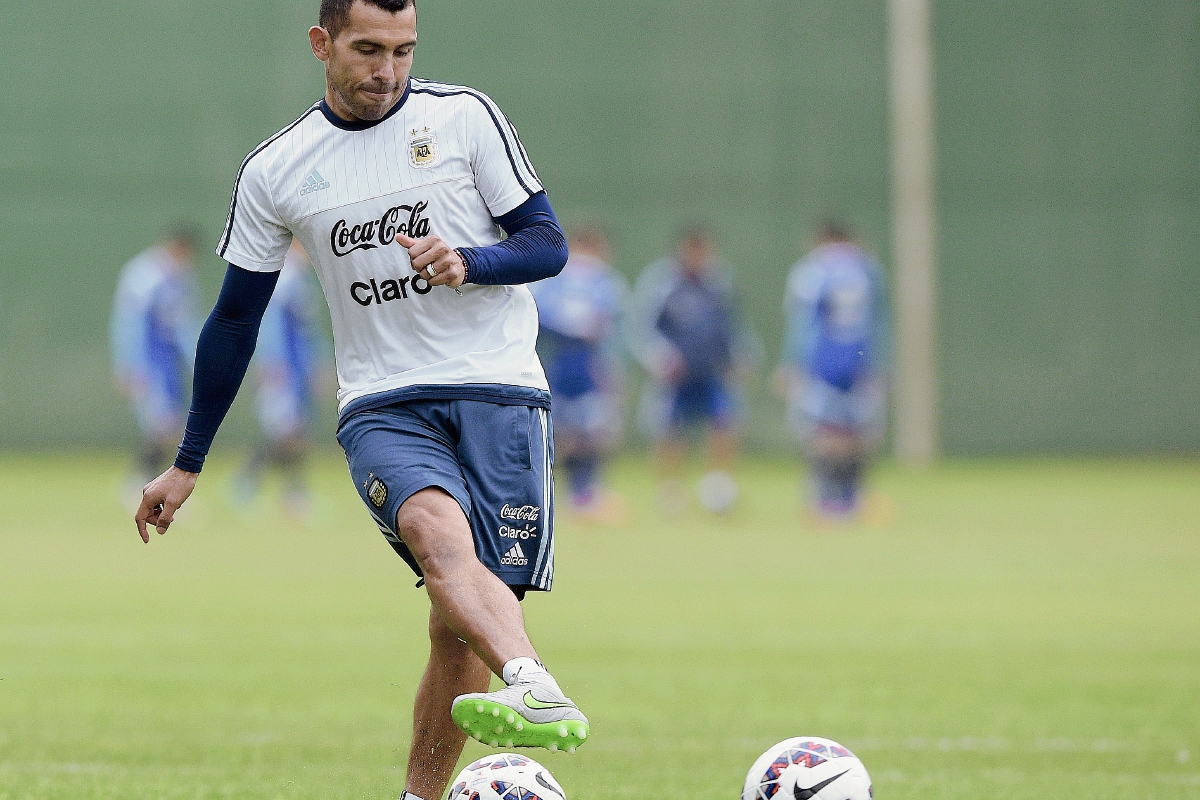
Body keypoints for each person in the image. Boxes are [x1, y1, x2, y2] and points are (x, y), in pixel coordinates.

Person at [134, 2, 587, 798]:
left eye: (404, 51)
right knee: (432, 530)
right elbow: (235, 317)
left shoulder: (467, 119)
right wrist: (188, 460)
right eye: (368, 49)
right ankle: (535, 682)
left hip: (501, 394)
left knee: (456, 632)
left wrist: (469, 261)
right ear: (323, 44)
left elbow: (547, 244)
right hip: (382, 401)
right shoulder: (277, 168)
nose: (387, 70)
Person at [629, 224, 759, 514]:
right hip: (675, 378)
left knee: (725, 424)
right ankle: (671, 493)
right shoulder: (662, 283)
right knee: (669, 431)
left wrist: (740, 357)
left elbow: (732, 327)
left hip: (712, 373)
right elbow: (642, 328)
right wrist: (659, 358)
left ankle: (718, 490)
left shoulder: (718, 282)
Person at [777, 220, 889, 520]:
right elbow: (880, 324)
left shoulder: (811, 270)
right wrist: (881, 365)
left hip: (821, 363)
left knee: (821, 430)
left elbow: (802, 323)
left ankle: (824, 501)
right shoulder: (869, 269)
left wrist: (790, 363)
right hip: (862, 362)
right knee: (858, 432)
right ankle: (853, 499)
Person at [529, 224, 629, 521]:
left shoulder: (549, 277)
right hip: (581, 364)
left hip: (555, 362)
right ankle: (582, 496)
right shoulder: (602, 280)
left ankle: (565, 497)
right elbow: (608, 326)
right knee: (586, 432)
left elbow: (535, 314)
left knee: (562, 431)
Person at [231, 241, 328, 517]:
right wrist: (271, 361)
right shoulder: (282, 276)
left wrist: (315, 364)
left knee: (289, 433)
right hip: (283, 370)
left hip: (297, 371)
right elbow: (269, 321)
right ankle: (289, 493)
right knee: (288, 433)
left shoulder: (299, 278)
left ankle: (251, 485)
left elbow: (305, 329)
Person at [110, 226, 201, 489]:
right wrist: (128, 364)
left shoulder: (182, 280)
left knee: (170, 428)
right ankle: (140, 485)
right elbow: (128, 321)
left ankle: (149, 486)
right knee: (163, 427)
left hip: (170, 365)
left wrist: (197, 360)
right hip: (150, 364)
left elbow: (185, 324)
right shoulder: (143, 275)